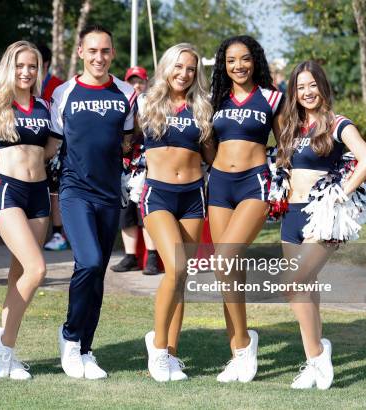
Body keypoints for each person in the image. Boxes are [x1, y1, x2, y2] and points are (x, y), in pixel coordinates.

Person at [275, 61, 366, 389]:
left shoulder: (336, 123)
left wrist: (340, 195)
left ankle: (318, 355)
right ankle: (313, 362)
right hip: (291, 214)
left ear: (322, 87)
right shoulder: (291, 127)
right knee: (305, 289)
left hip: (322, 216)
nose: (306, 92)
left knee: (293, 285)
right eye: (300, 87)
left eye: (312, 85)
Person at [50, 25, 136, 379]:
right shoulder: (63, 93)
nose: (99, 57)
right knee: (88, 262)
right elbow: (53, 145)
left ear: (112, 54)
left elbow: (129, 143)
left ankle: (86, 348)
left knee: (97, 273)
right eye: (93, 50)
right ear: (81, 52)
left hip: (108, 195)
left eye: (105, 51)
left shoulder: (127, 93)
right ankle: (70, 339)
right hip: (74, 192)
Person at [0, 41, 60, 380]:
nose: (26, 72)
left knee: (20, 273)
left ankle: (6, 345)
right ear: (8, 68)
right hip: (8, 192)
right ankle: (5, 348)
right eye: (20, 66)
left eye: (32, 66)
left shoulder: (46, 105)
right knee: (37, 269)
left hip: (39, 194)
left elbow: (54, 143)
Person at [208, 35, 283, 383]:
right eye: (231, 60)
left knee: (224, 260)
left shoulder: (272, 97)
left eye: (245, 59)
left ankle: (244, 343)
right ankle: (239, 351)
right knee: (228, 271)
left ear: (256, 61)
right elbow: (207, 144)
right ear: (224, 65)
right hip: (219, 186)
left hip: (255, 184)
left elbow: (285, 147)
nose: (238, 66)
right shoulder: (215, 99)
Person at [139, 44, 213, 382]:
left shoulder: (202, 108)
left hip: (193, 196)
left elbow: (212, 154)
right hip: (159, 195)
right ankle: (156, 346)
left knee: (181, 277)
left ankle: (171, 353)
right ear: (167, 67)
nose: (184, 74)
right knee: (177, 266)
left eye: (191, 69)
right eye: (179, 66)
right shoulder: (146, 103)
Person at [111, 65, 159, 275]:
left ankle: (152, 257)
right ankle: (130, 256)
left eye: (139, 81)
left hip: (148, 164)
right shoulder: (122, 102)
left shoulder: (154, 103)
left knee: (145, 211)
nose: (136, 85)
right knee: (126, 212)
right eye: (132, 81)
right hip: (125, 165)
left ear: (146, 82)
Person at [38, 43, 68, 252]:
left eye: (36, 63)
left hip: (55, 144)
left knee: (55, 191)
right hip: (32, 145)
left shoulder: (59, 87)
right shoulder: (24, 85)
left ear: (46, 63)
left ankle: (58, 233)